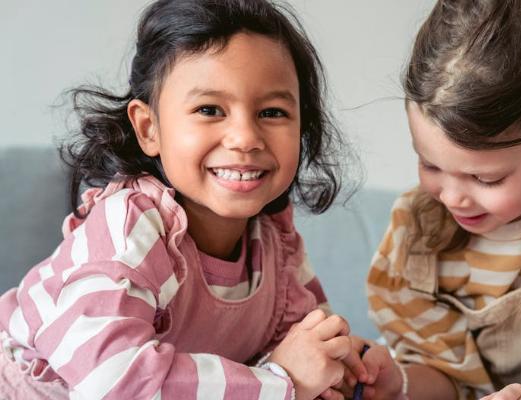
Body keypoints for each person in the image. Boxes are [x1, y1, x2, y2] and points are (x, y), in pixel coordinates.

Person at [0, 0, 365, 399]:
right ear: (149, 128)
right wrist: (282, 381)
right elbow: (113, 381)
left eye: (273, 112)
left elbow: (307, 345)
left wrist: (350, 367)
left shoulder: (276, 239)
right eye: (210, 109)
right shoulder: (130, 227)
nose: (245, 137)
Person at [349, 0, 521, 399]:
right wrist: (400, 383)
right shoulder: (418, 235)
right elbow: (444, 376)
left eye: (485, 177)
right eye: (429, 165)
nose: (451, 197)